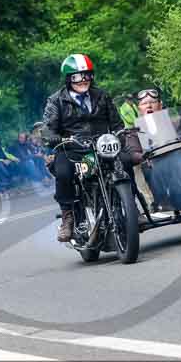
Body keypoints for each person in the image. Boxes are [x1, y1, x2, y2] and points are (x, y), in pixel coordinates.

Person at [42, 53, 123, 241]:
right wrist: (58, 139)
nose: (83, 80)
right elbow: (47, 129)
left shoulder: (102, 95)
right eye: (77, 76)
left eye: (87, 75)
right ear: (68, 79)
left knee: (125, 162)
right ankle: (68, 218)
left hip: (102, 147)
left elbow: (117, 123)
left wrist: (120, 135)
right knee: (63, 173)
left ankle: (133, 207)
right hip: (72, 149)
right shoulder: (56, 100)